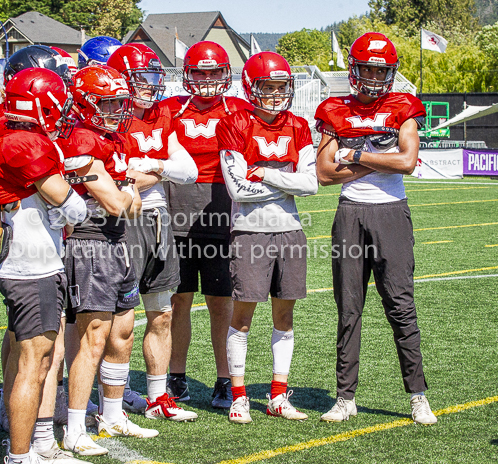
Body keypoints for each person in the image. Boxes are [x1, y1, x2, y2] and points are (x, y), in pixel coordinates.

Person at [314, 32, 437, 425]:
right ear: (354, 68)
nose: (373, 76)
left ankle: (418, 395)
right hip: (350, 213)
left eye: (380, 69)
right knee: (348, 309)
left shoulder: (403, 105)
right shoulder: (333, 109)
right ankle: (345, 397)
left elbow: (407, 163)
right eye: (367, 67)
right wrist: (379, 155)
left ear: (390, 72)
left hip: (391, 214)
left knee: (401, 307)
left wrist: (357, 154)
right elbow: (325, 174)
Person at [0, 67, 88, 464]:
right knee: (34, 362)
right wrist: (72, 184)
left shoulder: (5, 134)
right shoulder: (26, 143)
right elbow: (73, 207)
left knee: (41, 357)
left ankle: (41, 443)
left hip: (21, 259)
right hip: (32, 267)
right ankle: (20, 454)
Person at [57, 65, 158, 457]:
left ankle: (113, 414)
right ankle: (76, 425)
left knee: (122, 332)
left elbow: (128, 207)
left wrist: (127, 187)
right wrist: (131, 183)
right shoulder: (82, 136)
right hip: (90, 241)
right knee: (91, 337)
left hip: (116, 240)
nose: (116, 108)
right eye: (107, 101)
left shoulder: (109, 136)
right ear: (84, 101)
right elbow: (120, 202)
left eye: (119, 100)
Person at [216, 51, 317, 424]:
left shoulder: (299, 126)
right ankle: (239, 397)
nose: (276, 94)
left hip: (290, 230)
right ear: (251, 88)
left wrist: (268, 175)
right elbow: (237, 190)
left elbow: (311, 184)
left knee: (285, 317)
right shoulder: (234, 123)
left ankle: (278, 395)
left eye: (280, 87)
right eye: (268, 87)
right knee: (241, 318)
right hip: (249, 231)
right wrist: (287, 184)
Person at [107, 43, 199, 422]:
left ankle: (159, 398)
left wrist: (151, 168)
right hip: (123, 222)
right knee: (119, 320)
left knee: (161, 314)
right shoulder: (110, 115)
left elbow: (188, 170)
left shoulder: (163, 114)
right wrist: (161, 168)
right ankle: (114, 400)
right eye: (141, 77)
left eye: (152, 77)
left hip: (160, 221)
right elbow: (113, 178)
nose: (149, 86)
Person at [159, 41, 251, 408]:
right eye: (200, 72)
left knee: (221, 302)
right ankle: (176, 377)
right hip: (175, 211)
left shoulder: (241, 109)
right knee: (178, 301)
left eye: (215, 72)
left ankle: (225, 380)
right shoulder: (169, 108)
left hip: (223, 211)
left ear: (226, 74)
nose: (208, 79)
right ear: (188, 74)